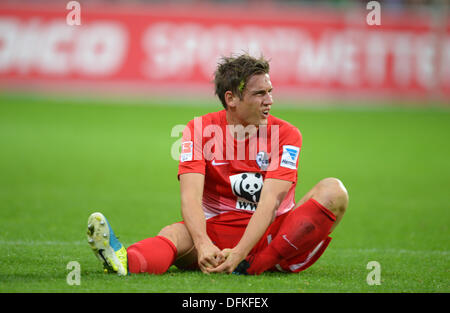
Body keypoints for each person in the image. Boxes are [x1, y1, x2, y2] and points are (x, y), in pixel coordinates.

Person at [86, 53, 348, 276]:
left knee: (334, 191)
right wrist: (203, 245)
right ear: (231, 98)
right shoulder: (199, 130)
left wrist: (242, 253)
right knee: (173, 235)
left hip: (275, 236)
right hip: (218, 230)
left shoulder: (287, 135)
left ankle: (258, 264)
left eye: (270, 92)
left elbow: (271, 203)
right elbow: (190, 197)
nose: (269, 100)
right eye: (260, 94)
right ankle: (123, 261)